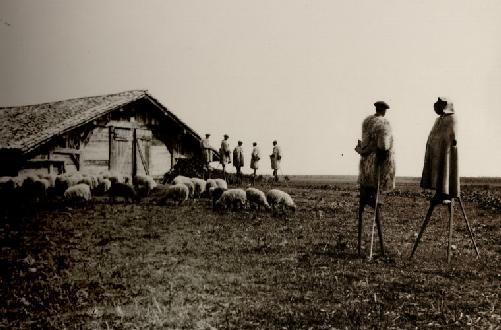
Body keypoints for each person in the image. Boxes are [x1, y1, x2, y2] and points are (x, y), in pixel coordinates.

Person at [354, 101, 395, 257]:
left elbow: (364, 143)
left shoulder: (367, 121)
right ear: (384, 111)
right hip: (377, 167)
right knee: (376, 205)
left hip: (365, 167)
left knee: (363, 205)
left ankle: (360, 248)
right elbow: (384, 146)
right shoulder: (384, 123)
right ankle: (380, 249)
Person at [420, 97, 459, 202]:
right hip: (436, 150)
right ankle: (439, 192)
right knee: (437, 172)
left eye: (441, 104)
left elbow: (453, 135)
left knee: (445, 170)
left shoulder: (452, 118)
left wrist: (450, 144)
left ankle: (445, 193)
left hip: (446, 150)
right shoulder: (439, 119)